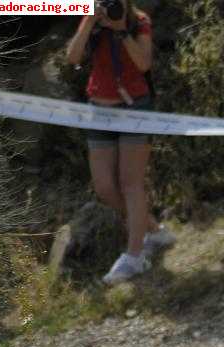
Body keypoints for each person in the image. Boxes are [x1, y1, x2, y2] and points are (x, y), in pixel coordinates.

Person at [66, 0, 175, 285]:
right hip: (99, 108)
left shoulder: (138, 21)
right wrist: (89, 22)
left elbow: (144, 63)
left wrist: (121, 31)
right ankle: (153, 230)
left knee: (130, 182)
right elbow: (72, 57)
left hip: (134, 107)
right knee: (104, 188)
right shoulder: (93, 19)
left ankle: (134, 254)